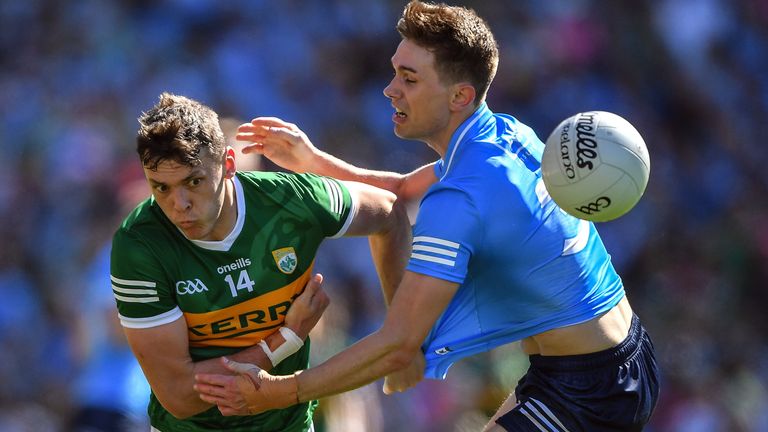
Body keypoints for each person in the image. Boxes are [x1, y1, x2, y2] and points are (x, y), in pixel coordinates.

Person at [194, 1, 660, 431]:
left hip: (590, 390)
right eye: (395, 72)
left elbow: (398, 343)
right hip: (613, 354)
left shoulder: (462, 199)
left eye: (409, 79)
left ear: (459, 95)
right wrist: (311, 160)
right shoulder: (501, 135)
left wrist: (281, 392)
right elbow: (399, 190)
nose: (389, 89)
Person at [110, 92, 411, 432]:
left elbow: (390, 213)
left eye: (193, 181)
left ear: (228, 165)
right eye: (160, 188)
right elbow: (179, 397)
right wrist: (286, 339)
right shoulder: (139, 244)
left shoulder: (291, 202)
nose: (179, 204)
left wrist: (404, 335)